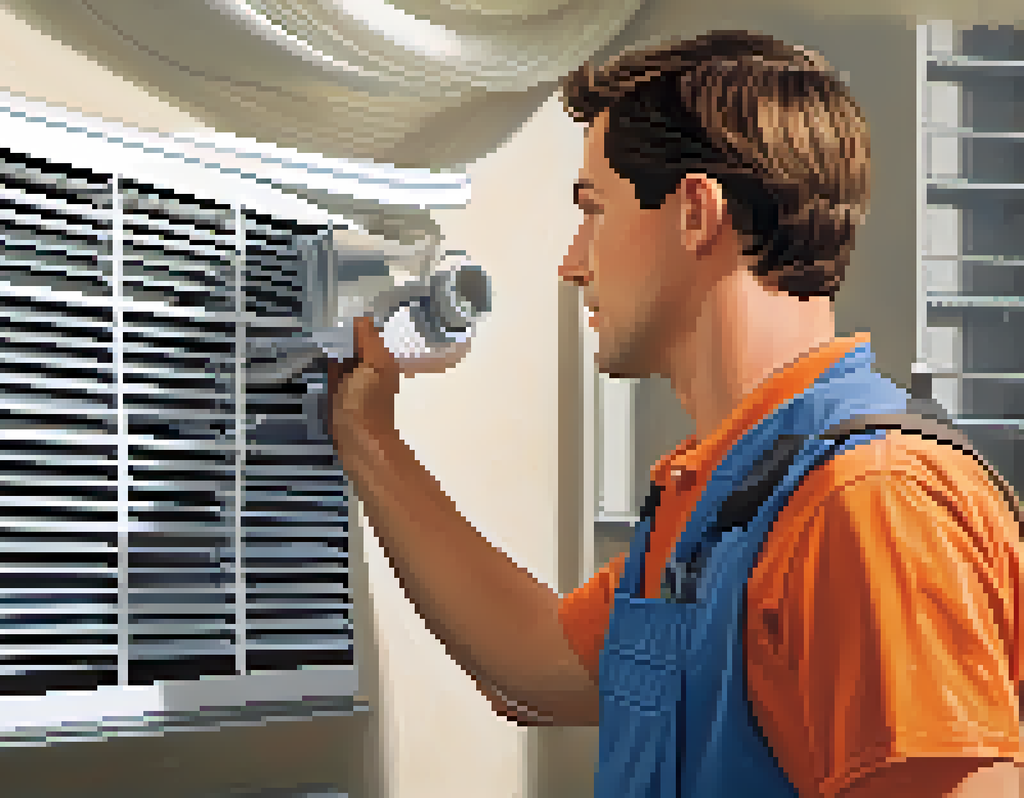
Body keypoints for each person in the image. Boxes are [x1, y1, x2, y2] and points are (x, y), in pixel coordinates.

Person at [326, 30, 1024, 798]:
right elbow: (534, 667)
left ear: (695, 212)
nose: (572, 262)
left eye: (594, 210)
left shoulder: (866, 506)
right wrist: (368, 437)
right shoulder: (725, 499)